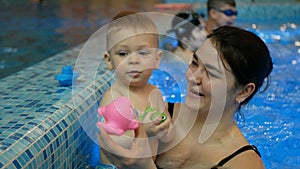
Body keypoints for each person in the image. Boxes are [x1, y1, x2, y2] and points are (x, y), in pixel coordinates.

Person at [97, 25, 273, 169]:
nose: (192, 77)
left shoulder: (242, 163)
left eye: (211, 73)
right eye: (194, 63)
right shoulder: (160, 116)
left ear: (244, 92)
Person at [97, 11, 173, 166]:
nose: (134, 60)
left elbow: (167, 133)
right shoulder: (113, 97)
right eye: (123, 53)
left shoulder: (155, 93)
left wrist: (165, 126)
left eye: (143, 53)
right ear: (109, 60)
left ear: (157, 59)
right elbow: (115, 142)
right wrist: (145, 130)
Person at [164, 0, 238, 64]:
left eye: (235, 14)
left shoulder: (232, 36)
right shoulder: (194, 35)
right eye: (229, 13)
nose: (234, 17)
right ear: (213, 13)